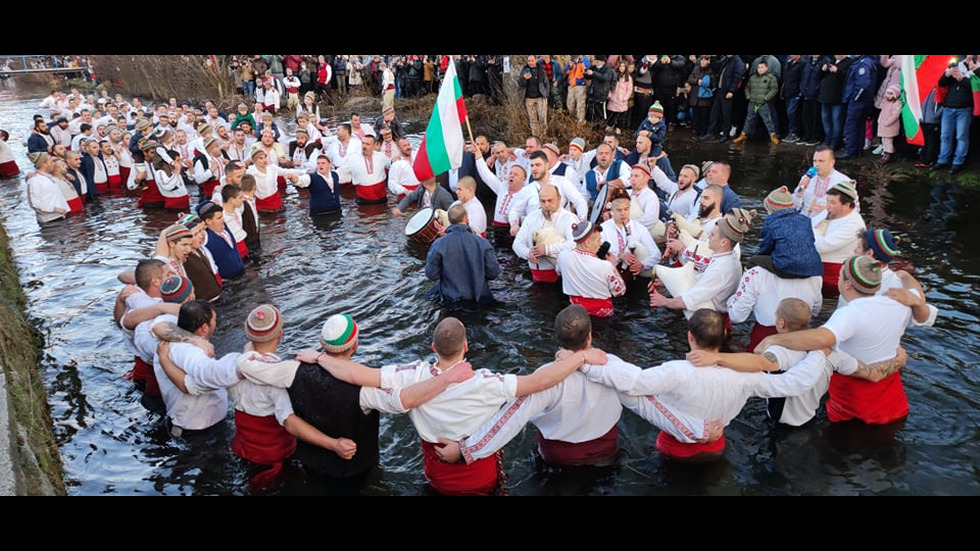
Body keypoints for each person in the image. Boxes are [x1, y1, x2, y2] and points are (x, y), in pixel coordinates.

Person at [309, 315, 609, 495]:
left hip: (437, 478)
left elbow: (357, 374)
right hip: (481, 477)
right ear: (466, 346)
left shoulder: (413, 375)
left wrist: (321, 357)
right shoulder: (485, 382)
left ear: (433, 347)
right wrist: (579, 357)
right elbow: (537, 383)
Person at [436, 304, 720, 467]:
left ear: (557, 339)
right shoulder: (612, 368)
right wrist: (698, 431)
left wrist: (466, 450)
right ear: (590, 337)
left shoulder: (547, 376)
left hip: (557, 458)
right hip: (605, 454)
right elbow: (650, 405)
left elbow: (511, 417)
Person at [582, 309, 834, 460]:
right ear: (724, 335)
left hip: (674, 448)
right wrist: (818, 352)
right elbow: (794, 384)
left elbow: (634, 382)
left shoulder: (676, 371)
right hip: (716, 448)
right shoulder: (744, 377)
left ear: (690, 336)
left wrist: (586, 358)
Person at [755, 256, 926, 425]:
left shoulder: (850, 313)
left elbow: (822, 338)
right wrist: (905, 276)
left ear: (847, 284)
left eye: (839, 276)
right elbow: (919, 300)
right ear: (878, 285)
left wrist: (773, 339)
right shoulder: (898, 302)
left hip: (853, 402)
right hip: (892, 399)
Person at [690, 298, 906, 428]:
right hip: (812, 419)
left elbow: (760, 362)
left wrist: (717, 357)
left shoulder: (780, 351)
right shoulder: (833, 352)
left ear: (781, 322)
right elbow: (871, 373)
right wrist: (898, 360)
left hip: (780, 425)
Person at [651, 209, 751, 327]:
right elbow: (702, 278)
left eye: (712, 235)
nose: (709, 236)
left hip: (712, 325)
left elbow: (693, 299)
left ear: (724, 242)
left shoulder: (721, 268)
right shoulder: (728, 258)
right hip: (716, 319)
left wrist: (664, 301)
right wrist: (666, 283)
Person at [424, 204, 500, 307]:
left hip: (452, 301)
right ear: (466, 219)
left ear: (449, 221)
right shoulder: (482, 243)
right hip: (481, 300)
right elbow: (493, 273)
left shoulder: (439, 245)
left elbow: (432, 274)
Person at [748, 186, 824, 279]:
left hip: (787, 268)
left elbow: (766, 248)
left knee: (754, 260)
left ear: (770, 208)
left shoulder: (772, 223)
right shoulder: (805, 220)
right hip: (811, 269)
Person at [555, 220, 626, 317]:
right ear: (588, 243)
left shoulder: (562, 256)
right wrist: (613, 265)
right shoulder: (605, 266)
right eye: (598, 240)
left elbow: (559, 272)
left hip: (577, 313)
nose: (601, 244)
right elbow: (620, 292)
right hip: (602, 316)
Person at [513, 183, 577, 283]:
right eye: (543, 201)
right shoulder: (531, 216)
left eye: (550, 200)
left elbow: (574, 244)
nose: (546, 205)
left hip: (560, 276)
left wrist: (547, 250)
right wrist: (528, 253)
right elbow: (517, 244)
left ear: (559, 198)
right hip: (535, 275)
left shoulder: (569, 218)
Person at [811, 181, 865, 299]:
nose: (827, 206)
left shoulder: (854, 225)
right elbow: (810, 225)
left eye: (833, 202)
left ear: (846, 205)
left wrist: (802, 236)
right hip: (815, 262)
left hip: (833, 273)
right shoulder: (830, 211)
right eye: (827, 201)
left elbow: (824, 246)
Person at [600, 187, 661, 283]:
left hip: (635, 278)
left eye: (626, 209)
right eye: (618, 210)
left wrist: (642, 264)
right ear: (611, 209)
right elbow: (599, 254)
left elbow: (656, 255)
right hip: (609, 278)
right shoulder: (603, 229)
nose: (623, 213)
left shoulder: (639, 228)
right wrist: (619, 255)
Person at [931, 59, 976, 174]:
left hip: (965, 108)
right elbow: (941, 83)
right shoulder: (955, 65)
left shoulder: (975, 69)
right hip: (948, 107)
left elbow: (974, 89)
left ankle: (958, 162)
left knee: (961, 136)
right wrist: (948, 74)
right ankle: (942, 160)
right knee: (945, 135)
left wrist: (962, 78)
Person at [792, 145, 851, 218]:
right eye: (815, 161)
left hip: (827, 225)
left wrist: (831, 210)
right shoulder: (806, 178)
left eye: (821, 161)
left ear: (832, 162)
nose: (817, 164)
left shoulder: (843, 181)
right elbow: (795, 207)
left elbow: (853, 211)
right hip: (803, 221)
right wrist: (800, 191)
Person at [837, 55, 877, 160]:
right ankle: (858, 150)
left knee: (851, 125)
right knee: (859, 125)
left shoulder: (864, 63)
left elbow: (863, 84)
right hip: (862, 101)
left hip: (859, 101)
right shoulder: (865, 61)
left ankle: (850, 151)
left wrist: (855, 98)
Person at [733, 59, 780, 145]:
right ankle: (743, 134)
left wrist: (766, 98)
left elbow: (774, 89)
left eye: (762, 67)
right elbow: (747, 87)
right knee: (749, 119)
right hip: (753, 103)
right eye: (758, 67)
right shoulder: (753, 77)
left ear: (766, 68)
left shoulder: (771, 78)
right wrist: (748, 96)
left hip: (763, 103)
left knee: (767, 120)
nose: (760, 69)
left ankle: (773, 135)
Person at [197, 200, 245, 280]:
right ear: (208, 221)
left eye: (222, 216)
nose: (223, 219)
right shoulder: (205, 236)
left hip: (240, 272)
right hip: (228, 280)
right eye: (219, 218)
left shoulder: (224, 226)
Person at [706, 55, 746, 143]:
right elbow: (717, 67)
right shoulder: (726, 60)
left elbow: (737, 77)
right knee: (714, 112)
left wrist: (731, 90)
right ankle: (710, 132)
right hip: (720, 90)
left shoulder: (737, 62)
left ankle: (725, 134)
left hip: (727, 91)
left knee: (726, 114)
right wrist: (713, 58)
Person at [25, 152, 69, 224]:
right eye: (51, 161)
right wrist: (55, 209)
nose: (54, 164)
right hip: (50, 221)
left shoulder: (48, 176)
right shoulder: (34, 181)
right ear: (43, 164)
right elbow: (34, 203)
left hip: (61, 216)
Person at [348, 133, 389, 205]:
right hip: (363, 200)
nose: (364, 146)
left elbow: (391, 165)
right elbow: (341, 172)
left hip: (381, 199)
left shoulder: (381, 156)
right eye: (363, 143)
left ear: (374, 145)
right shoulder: (353, 158)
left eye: (367, 144)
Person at [521, 55, 550, 138]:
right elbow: (520, 83)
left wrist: (546, 94)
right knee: (532, 119)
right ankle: (535, 137)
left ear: (536, 60)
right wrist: (524, 79)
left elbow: (546, 83)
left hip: (540, 97)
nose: (531, 62)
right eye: (529, 61)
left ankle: (543, 136)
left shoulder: (541, 70)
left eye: (532, 60)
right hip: (529, 98)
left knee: (542, 118)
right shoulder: (524, 70)